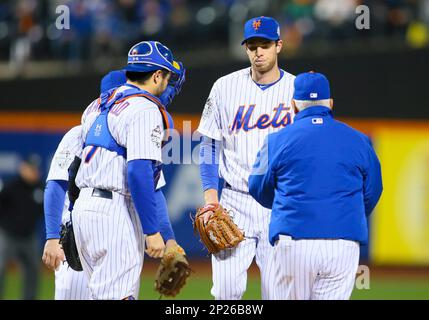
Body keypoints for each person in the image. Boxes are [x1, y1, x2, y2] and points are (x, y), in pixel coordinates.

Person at [41, 69, 182, 300]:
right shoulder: (80, 133)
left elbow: (154, 191)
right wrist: (51, 237)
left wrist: (170, 240)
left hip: (103, 223)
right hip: (76, 235)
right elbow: (55, 186)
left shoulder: (133, 132)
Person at [248, 72, 383, 300]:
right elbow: (373, 190)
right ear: (330, 103)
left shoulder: (276, 140)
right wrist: (346, 211)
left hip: (293, 242)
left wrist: (286, 203)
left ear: (294, 105)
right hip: (343, 245)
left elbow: (257, 186)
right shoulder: (360, 140)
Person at [197, 16, 295, 300]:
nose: (258, 52)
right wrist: (210, 198)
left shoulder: (296, 89)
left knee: (278, 292)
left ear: (279, 46)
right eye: (252, 46)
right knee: (226, 292)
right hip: (234, 201)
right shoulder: (224, 87)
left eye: (264, 44)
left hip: (279, 201)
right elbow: (208, 146)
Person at [0, 154, 44, 299]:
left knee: (33, 271)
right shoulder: (11, 187)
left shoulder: (40, 189)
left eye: (35, 169)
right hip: (8, 236)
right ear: (22, 168)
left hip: (28, 237)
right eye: (30, 168)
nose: (33, 171)